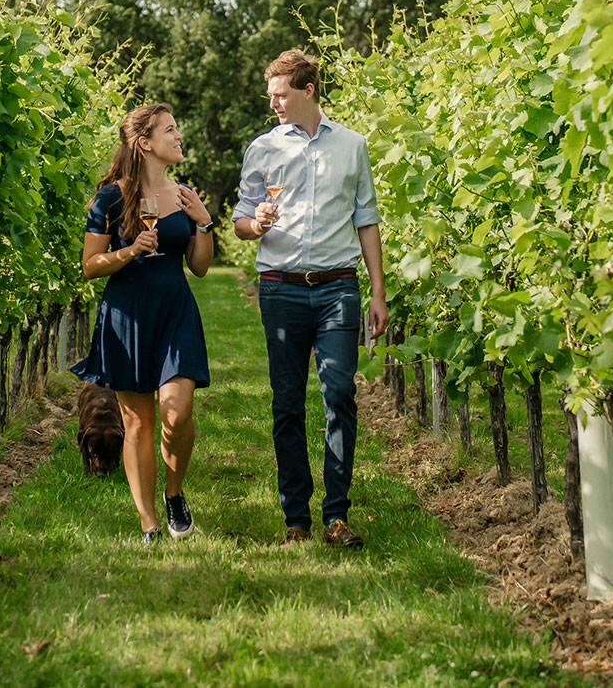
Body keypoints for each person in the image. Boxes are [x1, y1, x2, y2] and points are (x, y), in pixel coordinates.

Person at [232, 49, 387, 549]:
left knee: (339, 393)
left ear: (308, 91)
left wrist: (377, 291)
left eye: (280, 94)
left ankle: (336, 515)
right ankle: (295, 519)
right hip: (280, 287)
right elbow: (240, 219)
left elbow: (366, 217)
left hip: (339, 285)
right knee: (287, 404)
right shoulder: (262, 148)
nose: (273, 103)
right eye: (270, 95)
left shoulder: (352, 146)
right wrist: (256, 225)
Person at [72, 103, 215, 546]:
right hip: (127, 317)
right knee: (138, 424)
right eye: (169, 130)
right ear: (144, 143)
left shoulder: (184, 194)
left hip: (175, 312)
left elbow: (201, 267)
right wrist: (131, 251)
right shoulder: (110, 200)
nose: (178, 137)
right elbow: (91, 266)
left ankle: (175, 494)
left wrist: (204, 222)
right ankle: (149, 522)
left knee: (178, 413)